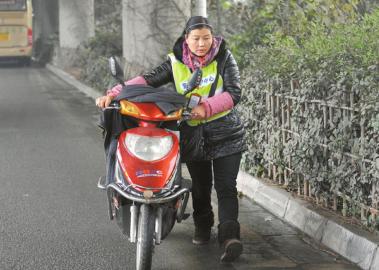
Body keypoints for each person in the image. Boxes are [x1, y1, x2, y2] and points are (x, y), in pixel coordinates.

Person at [96, 16, 246, 263]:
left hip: (226, 132)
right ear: (186, 39)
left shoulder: (224, 58)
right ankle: (202, 227)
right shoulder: (176, 62)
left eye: (206, 38)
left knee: (226, 187)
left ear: (213, 38)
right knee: (200, 186)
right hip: (193, 135)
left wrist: (206, 108)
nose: (201, 44)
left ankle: (230, 238)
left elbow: (234, 93)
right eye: (196, 39)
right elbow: (146, 80)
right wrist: (113, 94)